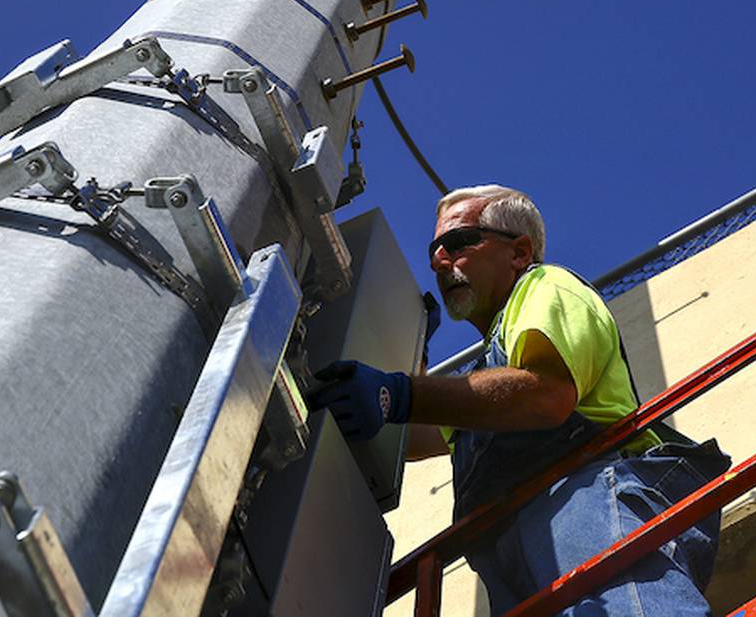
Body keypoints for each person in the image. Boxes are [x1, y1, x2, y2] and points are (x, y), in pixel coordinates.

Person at [310, 185, 730, 616]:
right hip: (513, 555)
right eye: (434, 250)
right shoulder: (491, 372)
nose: (439, 261)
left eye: (457, 243)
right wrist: (411, 353)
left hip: (585, 507)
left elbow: (545, 393)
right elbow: (412, 439)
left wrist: (397, 392)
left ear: (519, 252)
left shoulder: (546, 286)